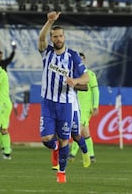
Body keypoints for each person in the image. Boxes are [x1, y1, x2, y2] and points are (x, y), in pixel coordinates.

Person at [38, 11, 89, 183]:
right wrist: (49, 22)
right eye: (55, 36)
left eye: (60, 36)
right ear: (52, 38)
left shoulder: (72, 56)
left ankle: (61, 172)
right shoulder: (47, 52)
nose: (58, 39)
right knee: (46, 138)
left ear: (64, 37)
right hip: (48, 102)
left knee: (66, 140)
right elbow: (40, 39)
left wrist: (75, 81)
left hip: (66, 104)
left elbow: (86, 77)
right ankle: (54, 147)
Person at [68, 52, 100, 163]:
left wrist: (95, 106)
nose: (80, 62)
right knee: (85, 133)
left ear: (84, 61)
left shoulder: (89, 75)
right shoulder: (73, 76)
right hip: (75, 106)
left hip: (85, 108)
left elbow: (95, 91)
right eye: (78, 60)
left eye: (82, 60)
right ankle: (91, 156)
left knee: (77, 130)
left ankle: (71, 155)